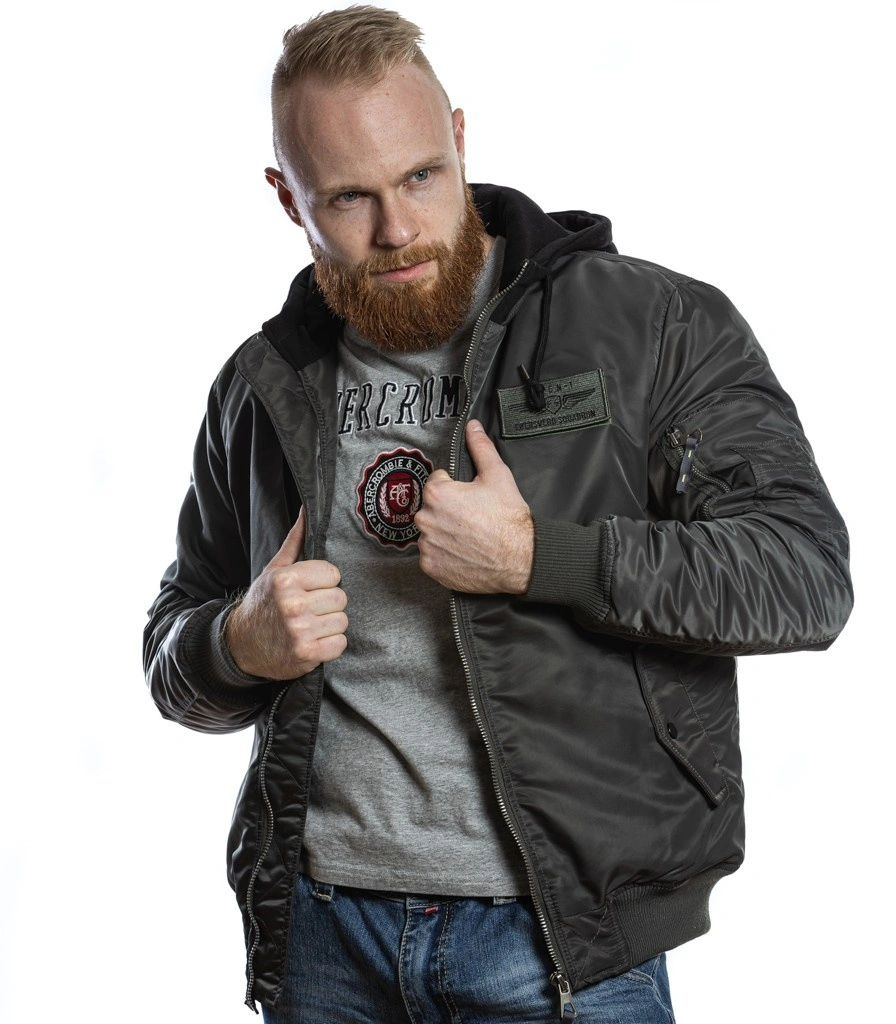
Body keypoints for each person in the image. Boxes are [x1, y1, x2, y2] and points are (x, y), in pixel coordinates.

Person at [143, 7, 853, 1022]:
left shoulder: (650, 324)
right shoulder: (262, 386)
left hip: (560, 944)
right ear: (286, 198)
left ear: (461, 140)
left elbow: (802, 576)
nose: (396, 230)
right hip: (322, 937)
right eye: (348, 197)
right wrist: (236, 643)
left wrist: (539, 557)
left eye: (420, 177)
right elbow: (173, 648)